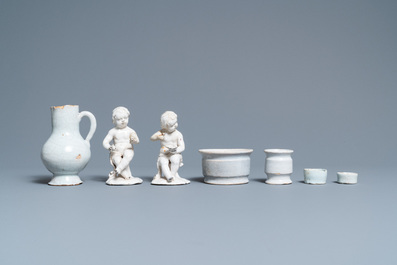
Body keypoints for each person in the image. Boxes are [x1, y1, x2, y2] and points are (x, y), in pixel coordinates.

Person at [103, 106, 141, 185]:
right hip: (116, 151)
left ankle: (118, 170)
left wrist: (135, 141)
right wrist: (109, 147)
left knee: (127, 157)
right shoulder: (113, 131)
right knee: (117, 160)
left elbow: (137, 141)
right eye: (119, 119)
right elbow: (105, 142)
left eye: (125, 118)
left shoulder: (130, 131)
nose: (123, 121)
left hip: (128, 149)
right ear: (114, 121)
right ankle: (127, 177)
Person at [150, 111, 189, 185]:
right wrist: (158, 137)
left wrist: (175, 150)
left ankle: (173, 174)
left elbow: (182, 146)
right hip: (164, 153)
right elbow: (152, 138)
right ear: (165, 126)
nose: (175, 126)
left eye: (175, 123)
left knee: (175, 160)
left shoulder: (178, 134)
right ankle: (168, 176)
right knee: (163, 162)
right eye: (172, 125)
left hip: (174, 153)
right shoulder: (162, 132)